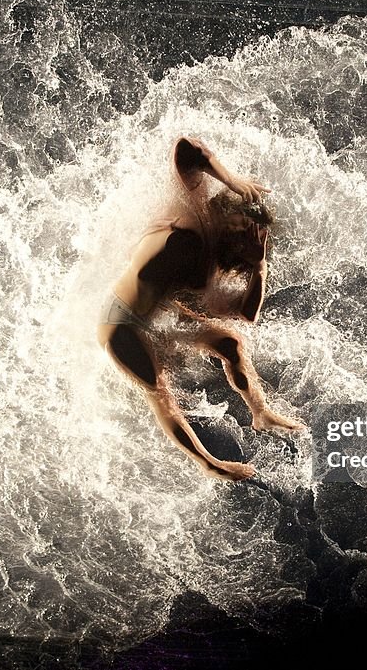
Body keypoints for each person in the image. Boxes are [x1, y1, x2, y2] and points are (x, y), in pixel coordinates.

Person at [97, 136, 302, 481]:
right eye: (243, 226)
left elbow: (248, 314)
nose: (246, 236)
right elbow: (186, 148)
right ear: (230, 211)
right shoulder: (196, 214)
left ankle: (261, 413)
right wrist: (233, 179)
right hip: (122, 322)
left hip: (161, 315)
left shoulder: (218, 263)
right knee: (160, 391)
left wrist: (260, 266)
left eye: (253, 236)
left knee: (232, 343)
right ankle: (209, 464)